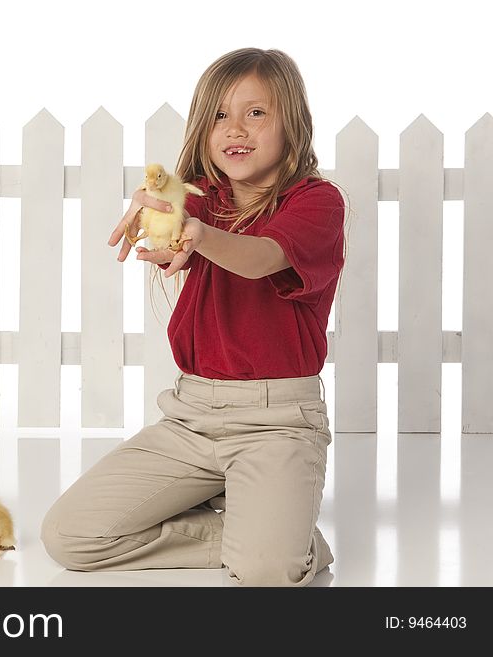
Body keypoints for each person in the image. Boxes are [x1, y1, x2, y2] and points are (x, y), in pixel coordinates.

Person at [40, 47, 348, 586]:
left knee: (268, 572)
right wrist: (163, 213)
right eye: (219, 115)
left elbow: (260, 259)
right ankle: (262, 524)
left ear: (292, 124)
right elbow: (174, 213)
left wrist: (200, 237)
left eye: (256, 113)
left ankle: (279, 539)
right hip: (192, 415)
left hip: (276, 422)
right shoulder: (202, 199)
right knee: (70, 536)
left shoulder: (317, 203)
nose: (236, 128)